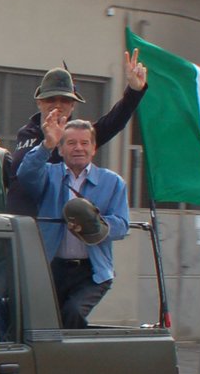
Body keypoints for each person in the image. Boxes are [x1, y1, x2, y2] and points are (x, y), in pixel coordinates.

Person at [16, 116, 130, 328]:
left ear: (94, 148)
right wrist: (46, 144)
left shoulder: (112, 182)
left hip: (93, 271)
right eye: (71, 143)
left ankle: (73, 358)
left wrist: (95, 224)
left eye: (85, 143)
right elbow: (26, 175)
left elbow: (122, 225)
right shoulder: (49, 174)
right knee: (41, 320)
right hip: (53, 266)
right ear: (60, 149)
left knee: (73, 312)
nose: (78, 148)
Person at [5, 50, 148, 215]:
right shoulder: (26, 133)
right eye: (50, 99)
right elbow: (23, 176)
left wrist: (134, 92)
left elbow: (113, 122)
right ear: (39, 102)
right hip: (19, 225)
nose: (57, 105)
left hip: (54, 227)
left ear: (73, 105)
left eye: (65, 100)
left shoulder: (78, 136)